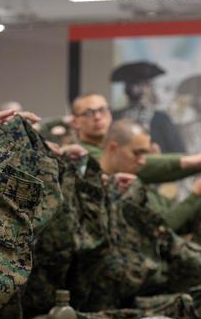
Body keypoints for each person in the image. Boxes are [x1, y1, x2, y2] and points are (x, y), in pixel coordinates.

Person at [71, 92, 201, 185]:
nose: (98, 117)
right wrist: (192, 161)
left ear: (110, 114)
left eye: (102, 110)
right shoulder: (77, 154)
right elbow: (146, 167)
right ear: (75, 121)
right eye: (88, 113)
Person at [100, 119, 201, 233]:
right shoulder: (107, 189)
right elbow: (160, 228)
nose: (142, 161)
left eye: (145, 154)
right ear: (113, 148)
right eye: (137, 153)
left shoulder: (133, 178)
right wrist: (195, 195)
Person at [111, 61, 185, 153]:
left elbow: (178, 153)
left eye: (144, 85)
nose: (139, 90)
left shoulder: (161, 119)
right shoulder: (115, 117)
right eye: (134, 84)